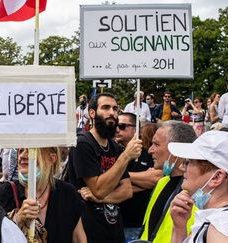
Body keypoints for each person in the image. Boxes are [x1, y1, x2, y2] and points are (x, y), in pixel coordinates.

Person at [72, 93, 142, 242]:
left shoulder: (114, 147)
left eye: (115, 108)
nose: (112, 112)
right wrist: (126, 156)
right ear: (92, 113)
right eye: (105, 107)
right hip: (89, 233)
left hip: (113, 231)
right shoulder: (83, 144)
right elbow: (99, 188)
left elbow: (127, 191)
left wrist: (99, 199)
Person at [0, 147, 86, 242]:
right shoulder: (7, 192)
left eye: (31, 151)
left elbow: (79, 238)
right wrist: (18, 219)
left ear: (52, 158)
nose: (22, 156)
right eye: (21, 150)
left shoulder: (66, 192)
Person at [139, 121, 197, 242]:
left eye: (156, 144)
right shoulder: (162, 182)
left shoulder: (196, 194)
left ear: (176, 149)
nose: (150, 150)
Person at [115, 113, 162, 241]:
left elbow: (157, 178)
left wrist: (117, 174)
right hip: (116, 223)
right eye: (115, 125)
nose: (116, 129)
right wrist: (143, 182)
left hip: (138, 224)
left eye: (122, 126)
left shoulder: (148, 153)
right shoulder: (111, 153)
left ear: (136, 130)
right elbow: (107, 185)